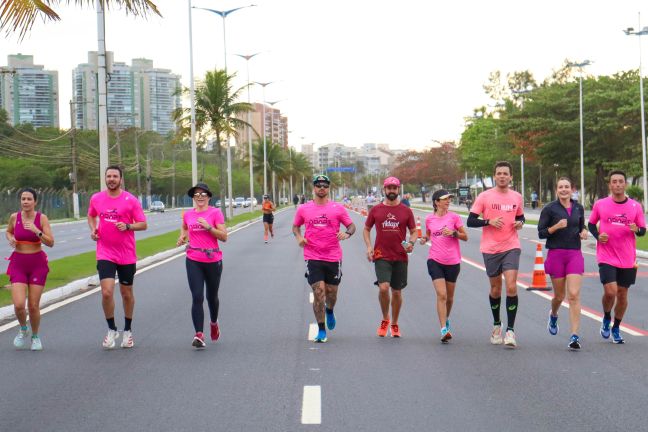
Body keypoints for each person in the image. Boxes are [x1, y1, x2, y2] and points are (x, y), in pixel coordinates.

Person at [88, 165, 147, 349]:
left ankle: (127, 331)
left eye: (115, 176)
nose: (111, 179)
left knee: (126, 294)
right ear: (105, 178)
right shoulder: (96, 198)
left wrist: (128, 226)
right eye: (109, 176)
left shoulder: (130, 200)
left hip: (126, 254)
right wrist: (93, 230)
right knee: (106, 292)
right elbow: (91, 216)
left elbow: (143, 224)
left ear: (121, 179)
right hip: (105, 251)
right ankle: (111, 329)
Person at [467, 161, 525, 347]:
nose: (502, 176)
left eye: (505, 173)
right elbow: (470, 221)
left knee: (511, 286)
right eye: (499, 173)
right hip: (490, 248)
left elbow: (520, 216)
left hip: (511, 246)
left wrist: (520, 223)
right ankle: (497, 325)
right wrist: (488, 222)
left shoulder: (517, 196)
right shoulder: (484, 196)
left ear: (510, 177)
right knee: (495, 289)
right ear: (494, 176)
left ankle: (511, 331)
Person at [293, 174, 355, 343]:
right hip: (312, 255)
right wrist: (299, 238)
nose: (322, 188)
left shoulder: (338, 208)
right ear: (314, 188)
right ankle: (321, 330)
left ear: (329, 189)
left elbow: (351, 225)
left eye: (325, 185)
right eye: (318, 185)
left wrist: (347, 233)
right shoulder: (304, 209)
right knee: (319, 292)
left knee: (331, 293)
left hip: (333, 256)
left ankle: (330, 310)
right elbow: (295, 227)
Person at [588, 170, 646, 344]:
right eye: (614, 181)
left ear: (625, 184)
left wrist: (638, 230)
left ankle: (616, 327)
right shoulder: (601, 204)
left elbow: (642, 230)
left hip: (627, 257)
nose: (618, 184)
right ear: (610, 185)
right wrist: (598, 236)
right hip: (606, 255)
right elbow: (591, 224)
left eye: (621, 181)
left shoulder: (635, 206)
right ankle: (606, 317)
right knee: (611, 291)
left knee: (622, 294)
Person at [538, 177, 588, 349]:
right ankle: (553, 314)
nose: (564, 190)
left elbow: (582, 226)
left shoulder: (578, 207)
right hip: (556, 254)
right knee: (559, 296)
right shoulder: (549, 209)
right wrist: (555, 227)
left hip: (574, 253)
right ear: (556, 189)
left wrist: (584, 232)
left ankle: (574, 336)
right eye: (561, 187)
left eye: (567, 186)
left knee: (573, 295)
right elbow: (541, 233)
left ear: (571, 189)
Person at [363, 176, 417, 338]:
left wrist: (411, 243)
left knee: (397, 292)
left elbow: (414, 231)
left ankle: (394, 323)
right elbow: (366, 229)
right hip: (381, 254)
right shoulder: (376, 210)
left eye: (394, 188)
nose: (392, 191)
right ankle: (385, 319)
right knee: (384, 287)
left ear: (398, 189)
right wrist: (369, 247)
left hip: (400, 256)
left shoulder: (406, 211)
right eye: (389, 188)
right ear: (384, 190)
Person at [177, 183, 227, 349]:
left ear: (208, 197)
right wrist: (182, 237)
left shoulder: (215, 212)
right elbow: (184, 227)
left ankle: (214, 323)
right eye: (196, 194)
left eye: (203, 194)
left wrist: (209, 227)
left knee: (211, 297)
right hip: (193, 259)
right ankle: (199, 334)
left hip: (213, 259)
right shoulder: (188, 214)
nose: (200, 196)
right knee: (197, 296)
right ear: (193, 197)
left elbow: (224, 236)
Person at [5, 188, 54, 351]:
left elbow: (50, 242)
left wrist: (36, 230)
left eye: (29, 199)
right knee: (19, 305)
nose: (25, 202)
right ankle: (23, 328)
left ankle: (35, 336)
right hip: (18, 263)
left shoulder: (42, 218)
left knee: (33, 305)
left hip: (37, 264)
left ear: (35, 202)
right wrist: (11, 238)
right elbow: (8, 231)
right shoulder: (14, 217)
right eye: (23, 199)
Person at [420, 189, 467, 343]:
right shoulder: (429, 219)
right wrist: (423, 239)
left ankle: (446, 319)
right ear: (436, 202)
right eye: (445, 199)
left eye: (449, 199)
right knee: (442, 294)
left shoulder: (454, 217)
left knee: (450, 297)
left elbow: (465, 237)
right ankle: (443, 329)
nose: (448, 201)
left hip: (453, 262)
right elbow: (428, 235)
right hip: (435, 260)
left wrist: (453, 233)